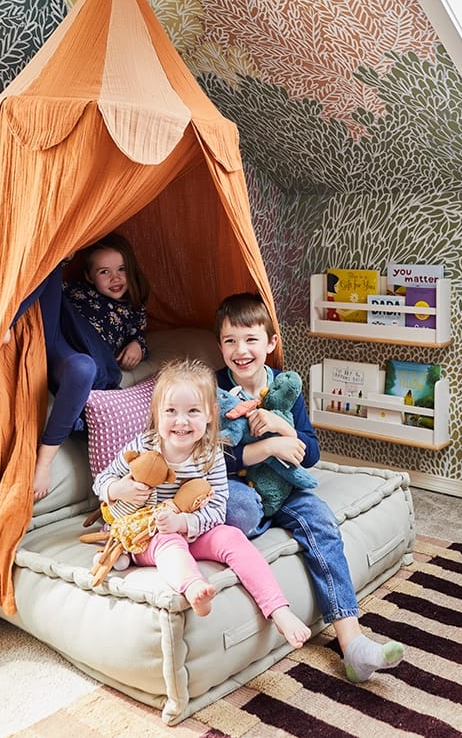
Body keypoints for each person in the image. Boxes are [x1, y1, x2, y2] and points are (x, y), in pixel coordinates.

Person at [214, 292, 405, 683]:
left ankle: (352, 644)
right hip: (234, 485)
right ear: (220, 347)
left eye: (251, 339)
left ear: (270, 343)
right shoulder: (214, 391)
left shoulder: (284, 387)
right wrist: (266, 447)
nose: (241, 350)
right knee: (241, 508)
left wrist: (284, 430)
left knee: (320, 520)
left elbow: (311, 452)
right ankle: (259, 525)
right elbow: (207, 458)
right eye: (230, 341)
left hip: (284, 488)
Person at [92, 358, 311, 648]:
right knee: (170, 540)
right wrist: (119, 489)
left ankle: (278, 609)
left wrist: (185, 522)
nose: (181, 421)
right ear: (157, 413)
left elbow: (218, 508)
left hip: (191, 529)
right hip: (148, 536)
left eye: (192, 411)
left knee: (231, 536)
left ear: (210, 414)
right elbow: (101, 481)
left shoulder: (210, 454)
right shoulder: (142, 446)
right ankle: (194, 586)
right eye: (171, 411)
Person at [10, 232, 150, 501]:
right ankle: (5, 323)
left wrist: (137, 345)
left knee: (84, 368)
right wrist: (62, 257)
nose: (115, 278)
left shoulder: (133, 310)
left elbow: (140, 337)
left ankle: (44, 461)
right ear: (89, 277)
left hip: (88, 362)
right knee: (49, 266)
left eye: (121, 269)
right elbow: (49, 295)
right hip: (56, 343)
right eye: (104, 272)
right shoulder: (76, 290)